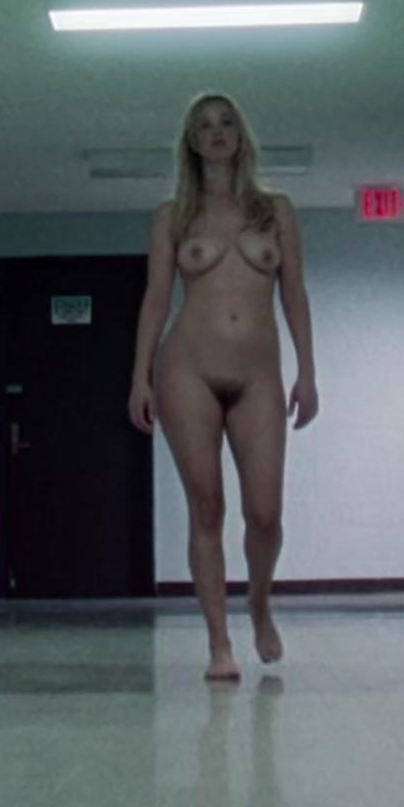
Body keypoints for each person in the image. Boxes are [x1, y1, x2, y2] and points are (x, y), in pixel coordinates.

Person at [129, 92, 319, 680]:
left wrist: (308, 371)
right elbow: (155, 299)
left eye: (226, 123)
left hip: (259, 375)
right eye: (205, 125)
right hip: (186, 369)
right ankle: (218, 643)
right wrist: (139, 377)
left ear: (241, 136)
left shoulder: (275, 211)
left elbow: (294, 293)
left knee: (265, 512)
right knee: (206, 506)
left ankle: (259, 605)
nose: (216, 132)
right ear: (191, 142)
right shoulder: (172, 217)